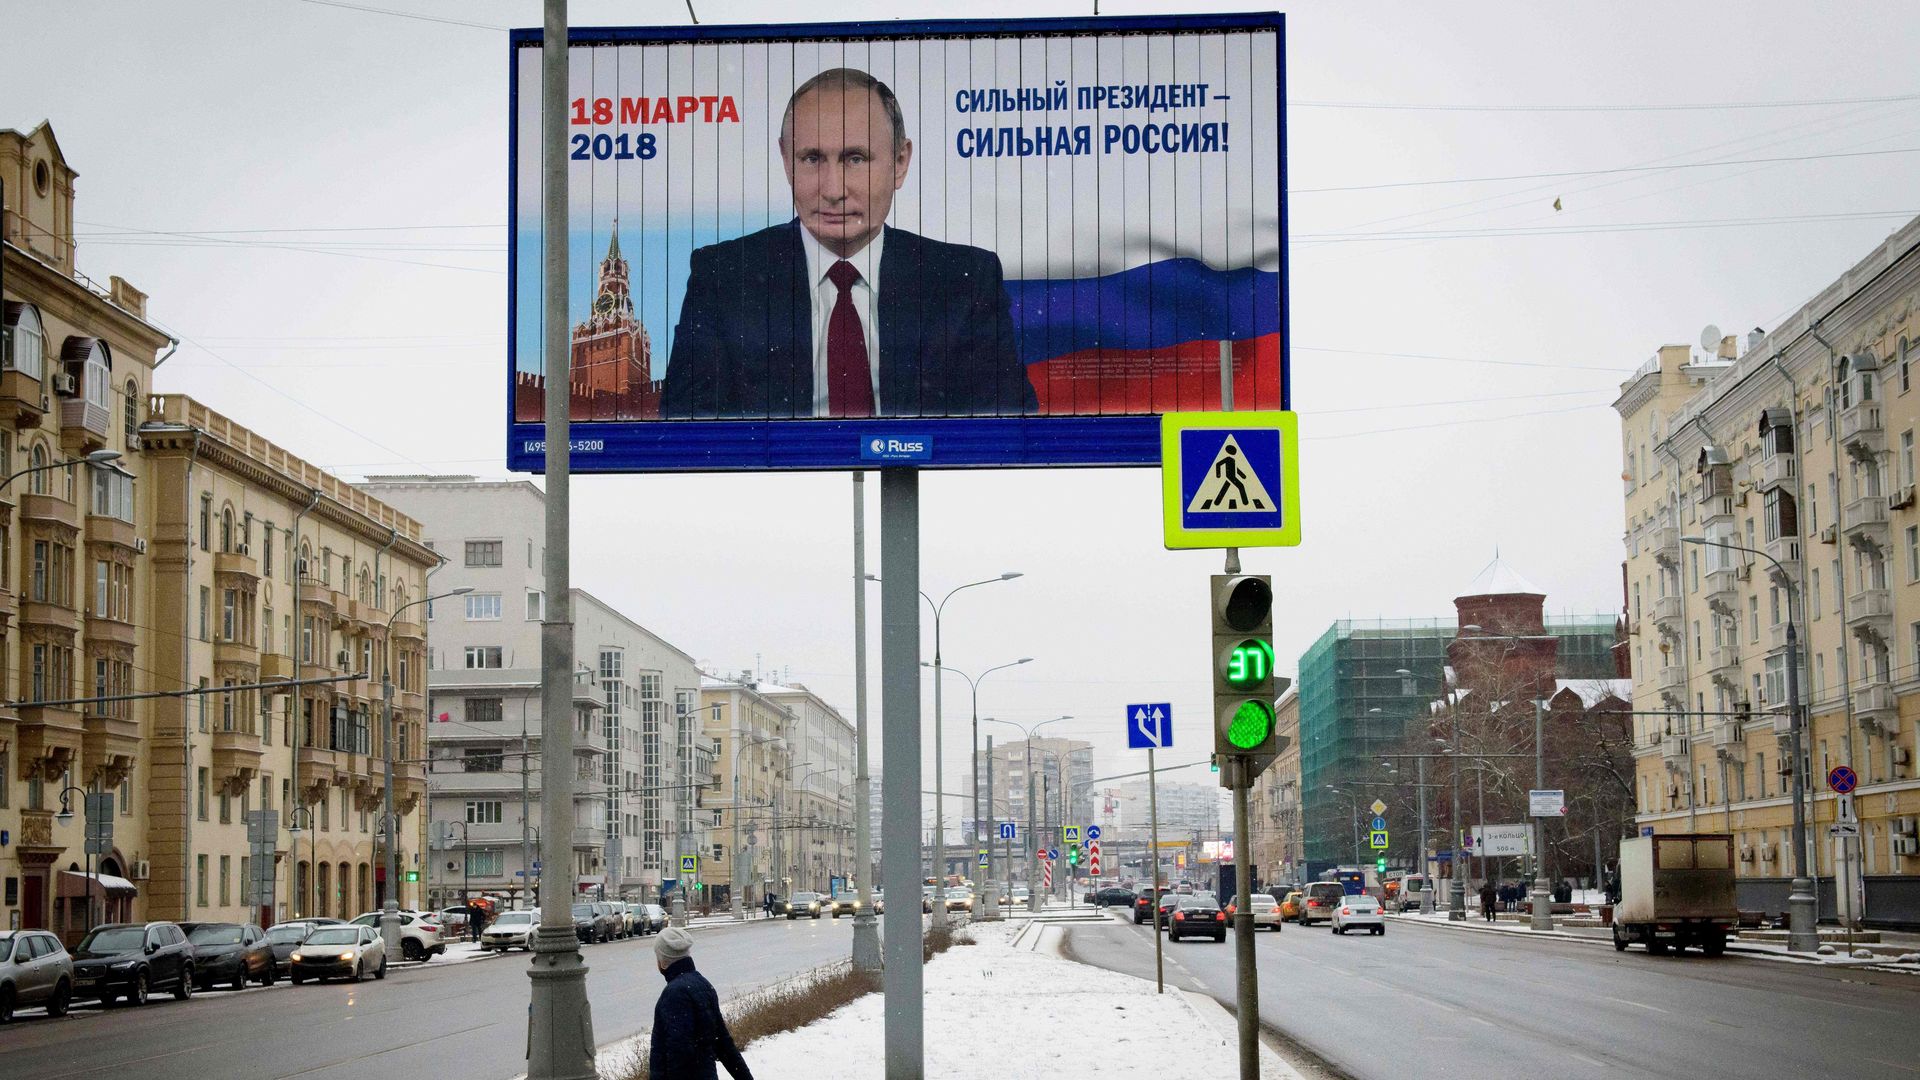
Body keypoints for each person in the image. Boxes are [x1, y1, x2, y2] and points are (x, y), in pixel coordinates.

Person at [661, 67, 1038, 420]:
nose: (832, 190)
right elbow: (683, 436)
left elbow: (1009, 433)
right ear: (786, 162)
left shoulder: (964, 281)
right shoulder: (725, 277)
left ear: (901, 162)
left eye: (855, 159)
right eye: (811, 159)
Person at [650, 927, 754, 1080]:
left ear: (663, 961)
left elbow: (679, 1055)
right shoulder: (703, 984)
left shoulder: (674, 994)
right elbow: (723, 1043)